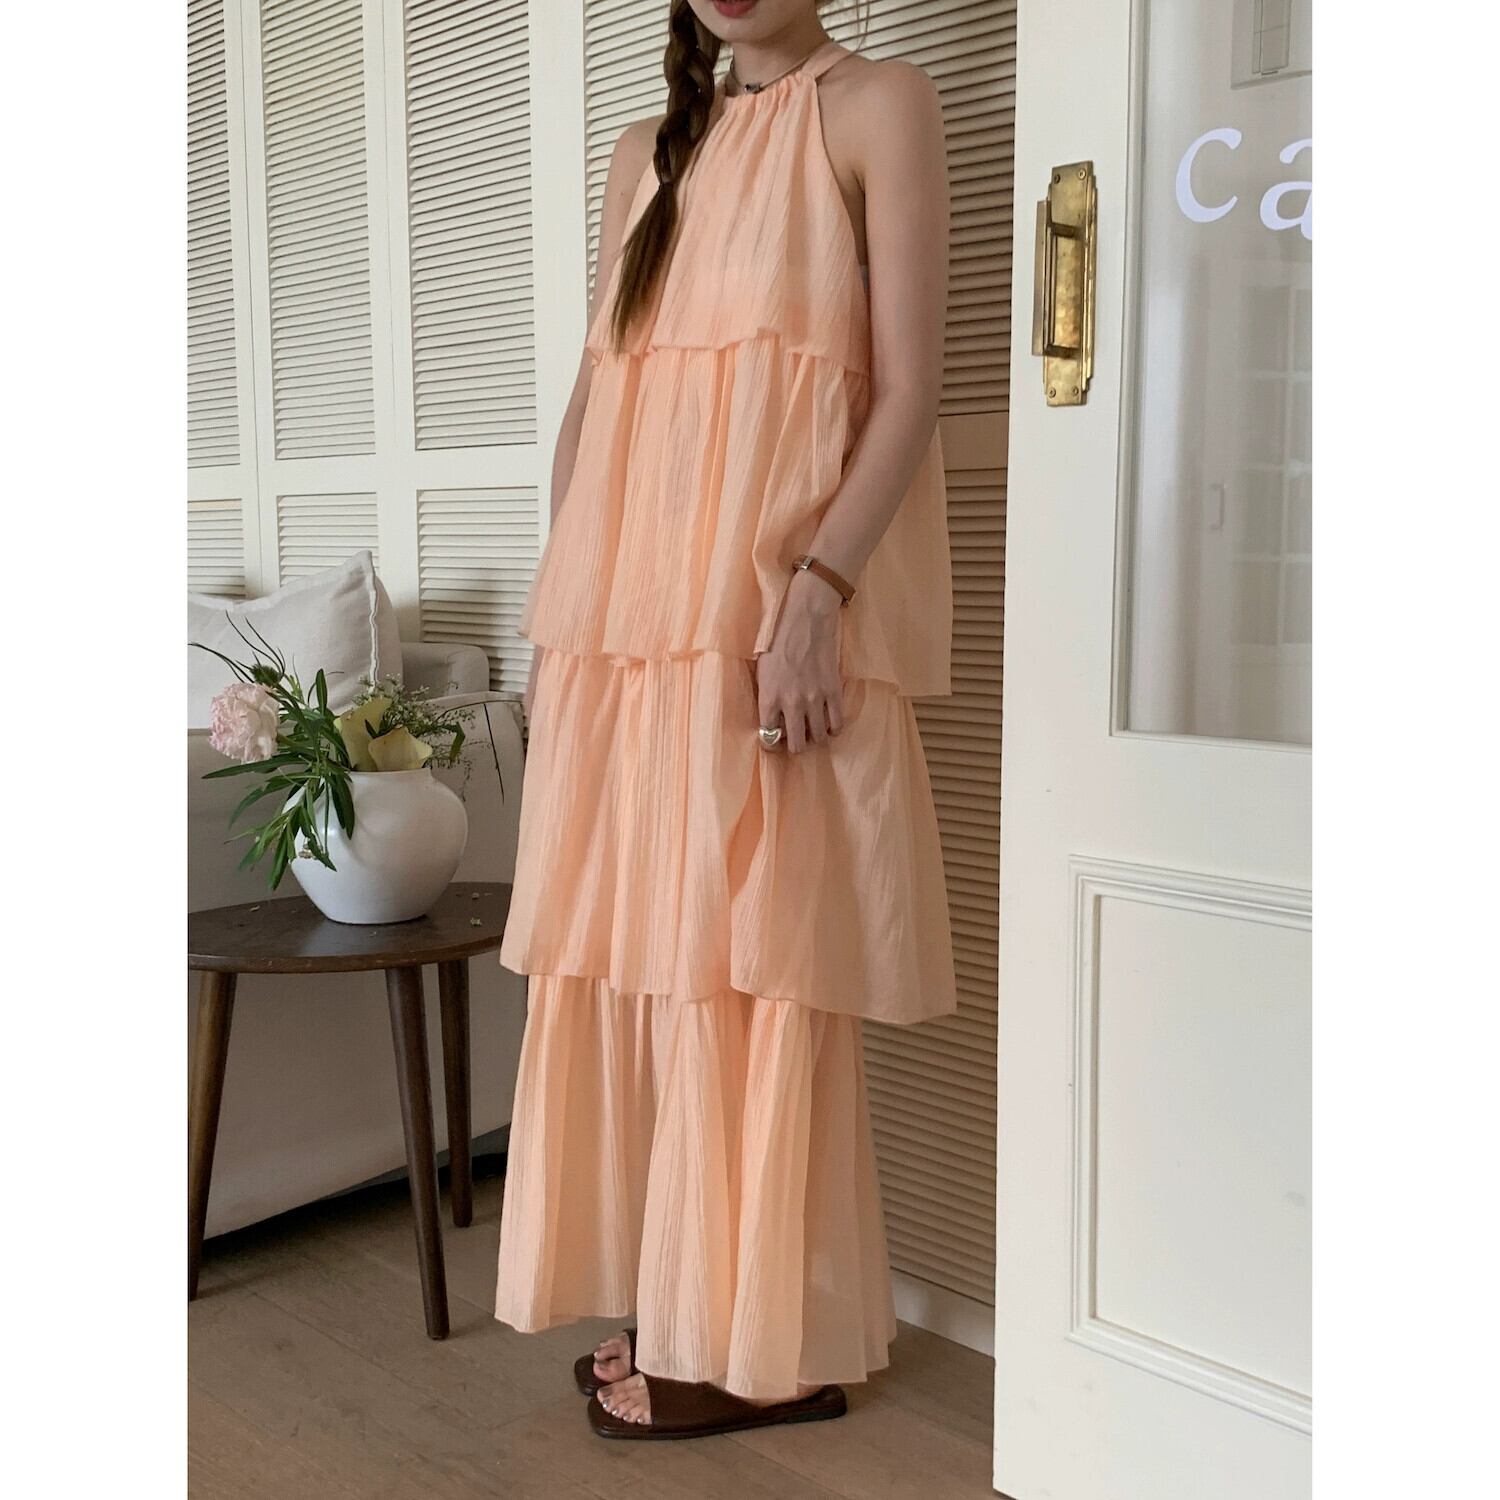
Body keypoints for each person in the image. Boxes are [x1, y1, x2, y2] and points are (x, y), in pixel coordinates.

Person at [494, 0, 956, 1440]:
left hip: (766, 621)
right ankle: (683, 1301)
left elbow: (909, 392)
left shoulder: (878, 106)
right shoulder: (646, 148)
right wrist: (570, 612)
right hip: (626, 630)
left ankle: (761, 1347)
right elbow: (601, 401)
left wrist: (819, 595)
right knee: (652, 961)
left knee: (755, 966)